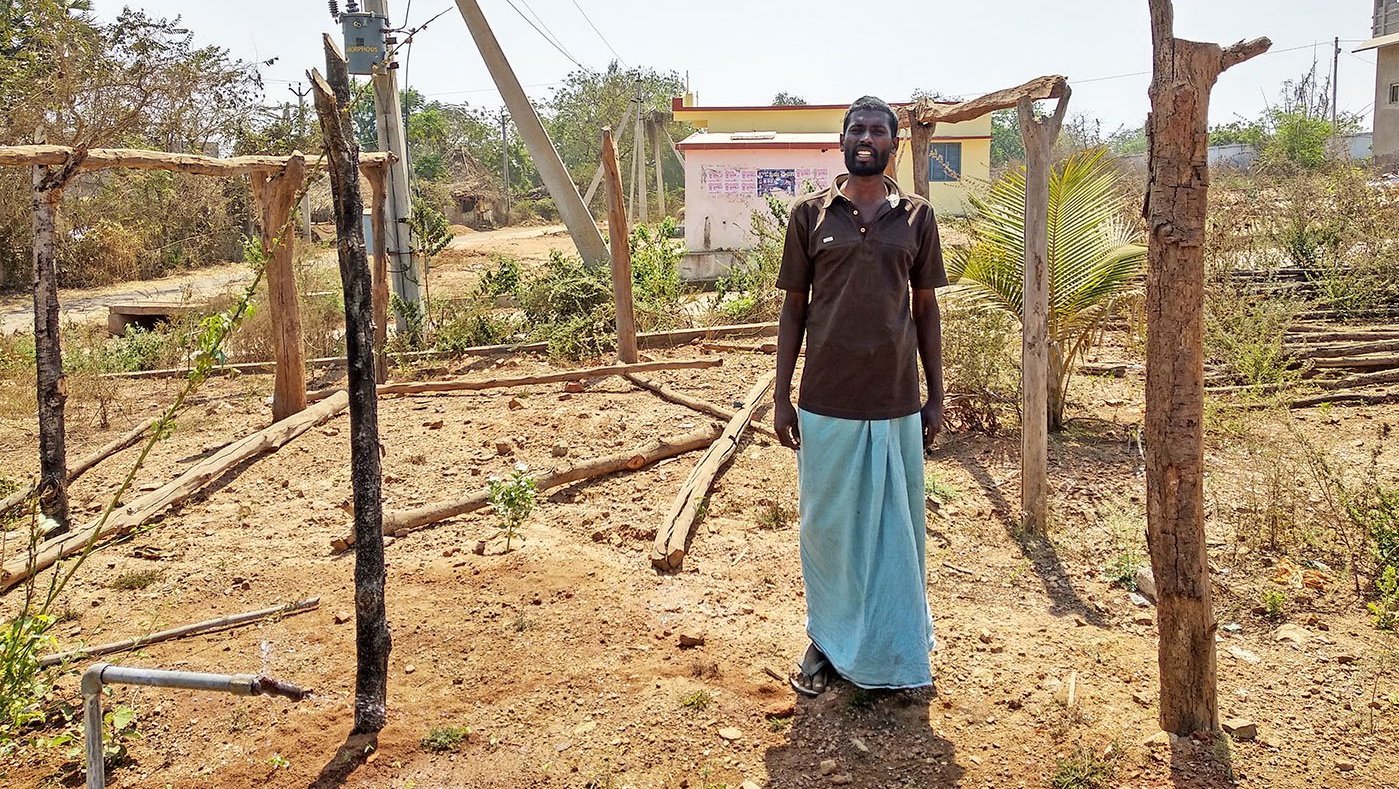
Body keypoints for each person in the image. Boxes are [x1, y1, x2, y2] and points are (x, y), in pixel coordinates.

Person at [773, 95, 947, 695]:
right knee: (827, 528)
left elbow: (925, 310)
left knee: (898, 530)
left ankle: (895, 644)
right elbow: (795, 308)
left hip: (896, 398)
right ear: (842, 140)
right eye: (857, 128)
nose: (867, 136)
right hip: (826, 399)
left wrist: (936, 396)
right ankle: (826, 640)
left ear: (894, 144)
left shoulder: (918, 218)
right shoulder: (810, 216)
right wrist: (780, 395)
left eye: (878, 129)